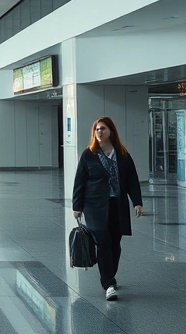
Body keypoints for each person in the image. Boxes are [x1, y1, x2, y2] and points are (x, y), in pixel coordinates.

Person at [72, 116, 144, 302]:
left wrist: (136, 201)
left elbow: (132, 180)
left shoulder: (122, 154)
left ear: (111, 131)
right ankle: (108, 284)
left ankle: (110, 274)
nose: (99, 132)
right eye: (97, 129)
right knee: (102, 241)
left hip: (116, 204)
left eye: (103, 129)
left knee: (115, 243)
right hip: (94, 205)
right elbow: (80, 180)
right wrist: (77, 206)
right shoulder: (89, 154)